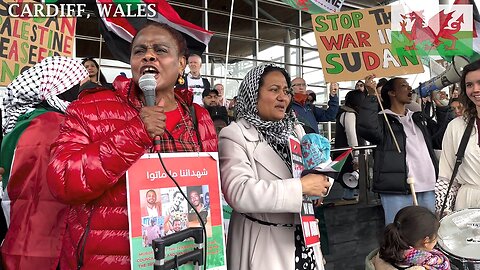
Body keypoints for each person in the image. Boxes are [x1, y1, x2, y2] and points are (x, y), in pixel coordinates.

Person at [47, 22, 217, 270]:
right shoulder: (91, 109)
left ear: (181, 63)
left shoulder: (198, 116)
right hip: (111, 261)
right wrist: (135, 134)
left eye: (160, 50)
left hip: (183, 256)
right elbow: (62, 181)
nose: (148, 55)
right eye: (139, 51)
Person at [219, 64, 331, 270]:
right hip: (264, 245)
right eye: (274, 90)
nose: (284, 97)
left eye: (286, 91)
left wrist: (322, 184)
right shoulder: (234, 134)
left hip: (304, 241)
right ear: (253, 94)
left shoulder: (295, 129)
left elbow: (315, 171)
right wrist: (302, 188)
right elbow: (238, 192)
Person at [0, 56, 88, 270]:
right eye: (79, 85)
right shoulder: (57, 126)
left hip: (14, 236)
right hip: (52, 243)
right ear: (64, 87)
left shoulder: (22, 121)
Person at [358, 76, 449, 224]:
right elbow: (368, 130)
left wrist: (442, 109)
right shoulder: (383, 119)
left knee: (429, 230)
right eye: (403, 86)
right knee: (399, 231)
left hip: (429, 184)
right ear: (392, 93)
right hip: (397, 188)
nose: (409, 88)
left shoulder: (419, 118)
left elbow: (440, 140)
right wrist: (371, 96)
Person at [435, 60, 480, 215]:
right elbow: (447, 175)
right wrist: (443, 209)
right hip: (467, 206)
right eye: (469, 85)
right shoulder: (456, 126)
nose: (475, 89)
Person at [368, 206, 450, 270]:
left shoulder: (389, 249)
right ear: (426, 241)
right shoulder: (425, 265)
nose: (436, 240)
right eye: (436, 236)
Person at [334, 90, 366, 202]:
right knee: (351, 182)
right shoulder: (350, 114)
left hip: (345, 154)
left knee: (350, 184)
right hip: (350, 156)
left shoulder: (343, 113)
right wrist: (356, 157)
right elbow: (352, 137)